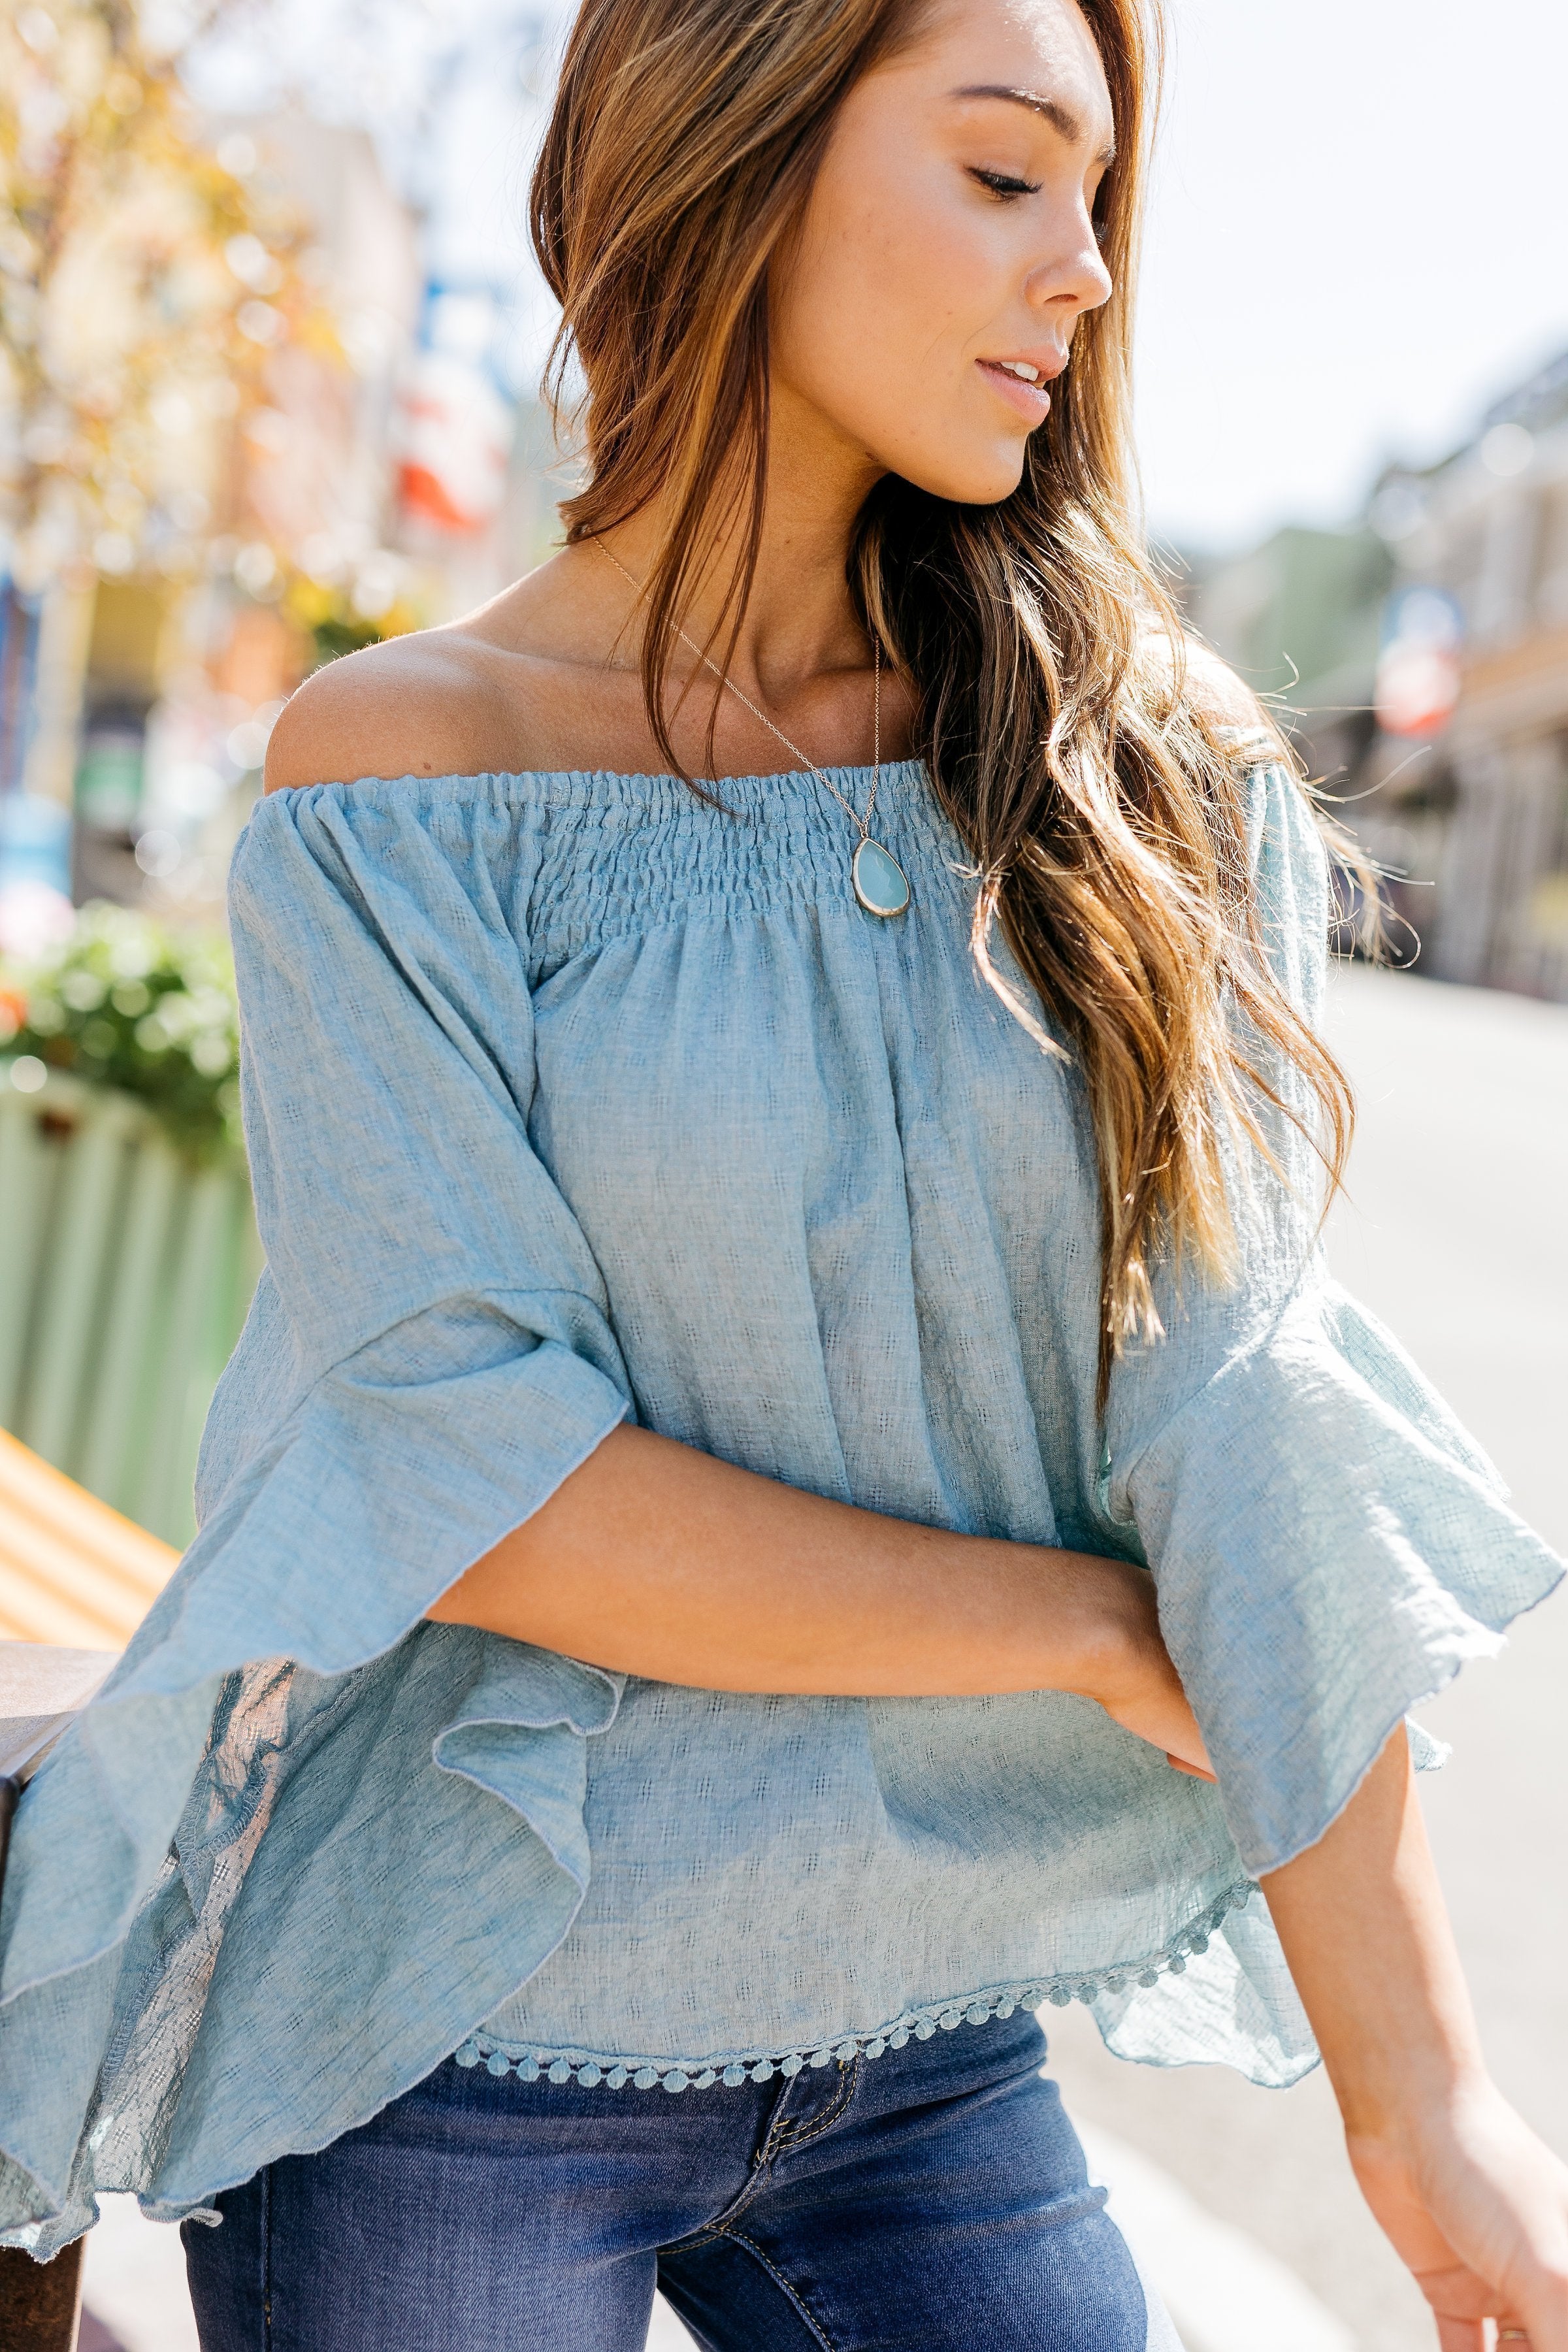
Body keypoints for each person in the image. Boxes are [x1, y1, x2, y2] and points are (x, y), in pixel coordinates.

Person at [2, 0, 1565, 2342]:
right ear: (739, 148)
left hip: (928, 2038)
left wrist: (1426, 2105)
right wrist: (1064, 1626)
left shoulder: (1138, 787)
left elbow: (1250, 1417)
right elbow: (480, 1467)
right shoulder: (397, 785)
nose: (1090, 273)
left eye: (1106, 201)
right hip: (439, 2022)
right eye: (1008, 173)